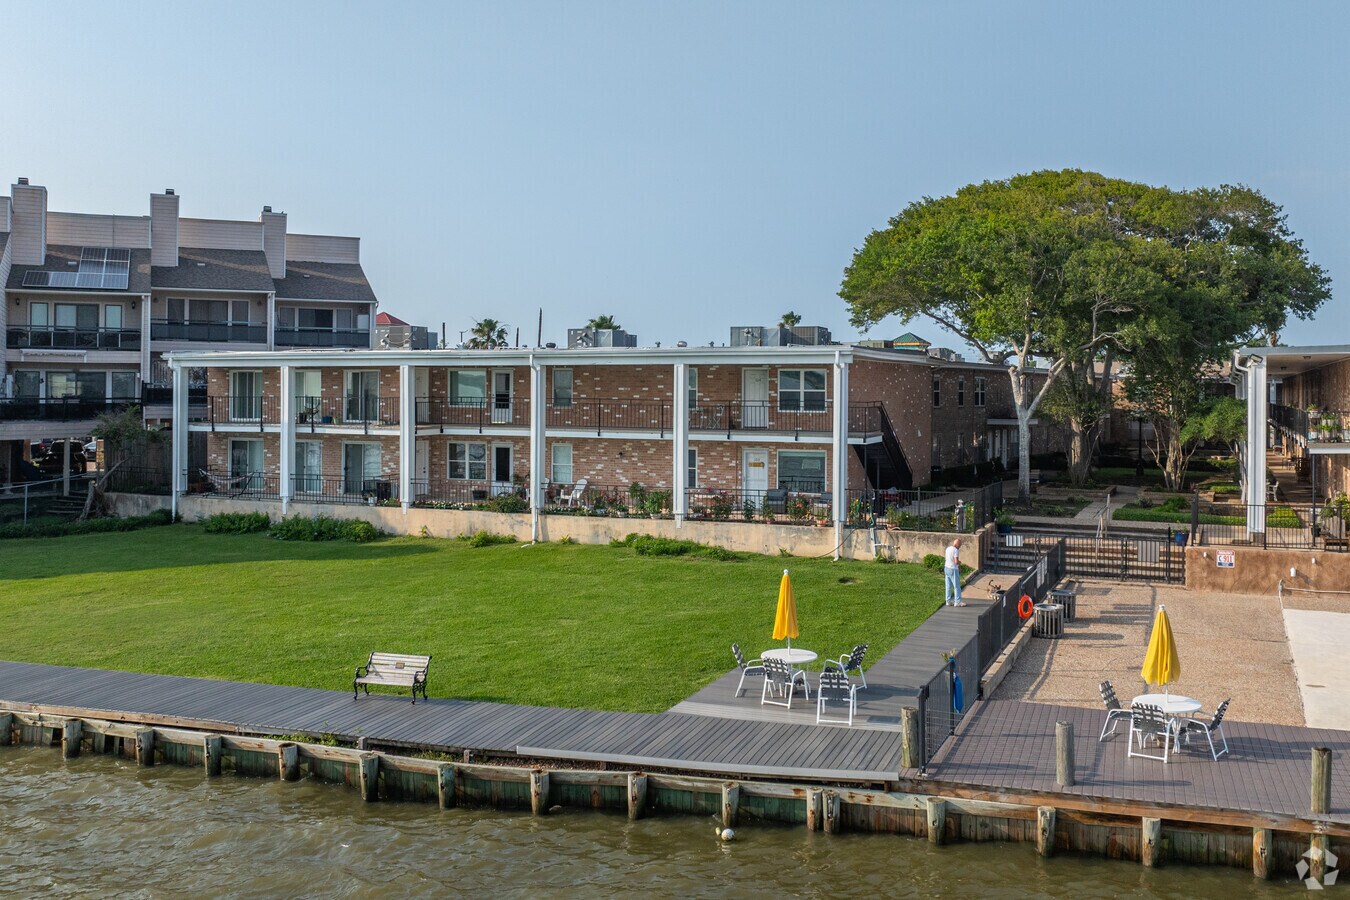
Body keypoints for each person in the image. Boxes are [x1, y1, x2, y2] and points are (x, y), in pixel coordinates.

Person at [944, 538, 965, 607]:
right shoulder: (955, 550)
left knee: (948, 586)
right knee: (957, 586)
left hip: (946, 568)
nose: (960, 547)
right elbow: (956, 561)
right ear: (957, 544)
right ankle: (957, 602)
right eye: (960, 545)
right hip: (953, 569)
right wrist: (960, 562)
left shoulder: (948, 548)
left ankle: (948, 601)